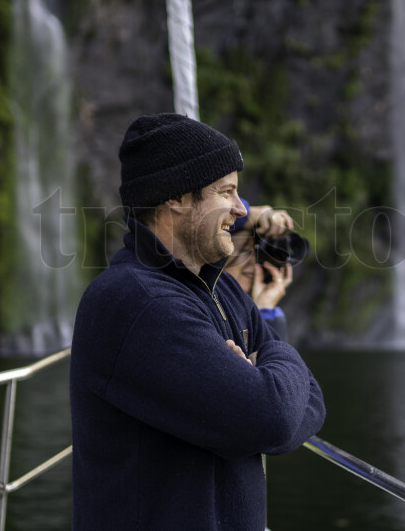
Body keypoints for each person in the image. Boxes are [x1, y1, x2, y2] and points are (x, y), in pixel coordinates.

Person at [69, 113, 326, 531]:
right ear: (177, 198)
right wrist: (266, 376)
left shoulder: (222, 290)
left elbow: (312, 403)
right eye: (227, 192)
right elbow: (275, 417)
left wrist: (265, 367)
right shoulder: (137, 303)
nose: (242, 210)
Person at [224, 204, 294, 342]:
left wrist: (264, 308)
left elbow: (279, 361)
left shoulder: (249, 313)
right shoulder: (203, 311)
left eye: (257, 252)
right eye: (245, 250)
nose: (254, 261)